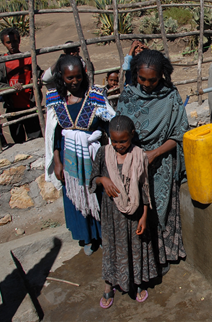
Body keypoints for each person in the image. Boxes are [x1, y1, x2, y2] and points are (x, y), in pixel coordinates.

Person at [116, 49, 188, 275]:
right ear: (135, 73)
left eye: (153, 80)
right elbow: (118, 130)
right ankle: (141, 257)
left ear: (162, 76)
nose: (146, 84)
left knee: (159, 207)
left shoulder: (170, 97)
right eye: (142, 78)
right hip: (133, 161)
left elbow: (179, 134)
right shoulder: (127, 95)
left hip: (161, 163)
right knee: (137, 209)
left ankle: (162, 255)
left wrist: (154, 154)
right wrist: (135, 157)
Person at [45, 54, 115, 255]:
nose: (74, 81)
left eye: (78, 77)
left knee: (98, 194)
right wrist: (57, 162)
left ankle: (102, 235)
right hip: (70, 160)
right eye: (69, 78)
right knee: (75, 197)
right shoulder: (56, 100)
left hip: (94, 156)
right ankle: (85, 237)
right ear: (61, 77)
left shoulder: (95, 96)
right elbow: (54, 136)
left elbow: (108, 127)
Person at [89, 115, 155, 308]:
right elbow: (92, 180)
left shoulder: (139, 155)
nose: (118, 145)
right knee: (112, 248)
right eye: (114, 141)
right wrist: (103, 180)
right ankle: (109, 285)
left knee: (135, 248)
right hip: (111, 214)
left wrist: (144, 216)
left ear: (132, 135)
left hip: (134, 214)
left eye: (123, 141)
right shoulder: (103, 153)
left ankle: (137, 282)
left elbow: (144, 188)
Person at [0, 27, 43, 144]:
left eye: (14, 41)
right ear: (3, 43)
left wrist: (36, 79)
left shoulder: (28, 58)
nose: (12, 45)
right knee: (18, 141)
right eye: (8, 42)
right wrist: (11, 88)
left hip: (30, 105)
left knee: (36, 139)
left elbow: (38, 74)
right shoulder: (0, 62)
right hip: (12, 107)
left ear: (19, 41)